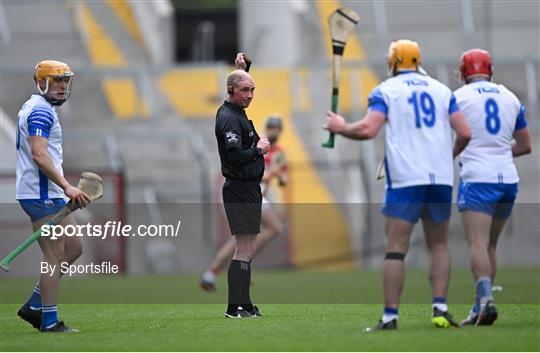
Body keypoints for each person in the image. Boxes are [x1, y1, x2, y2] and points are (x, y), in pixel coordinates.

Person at [325, 40, 471, 330]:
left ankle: (391, 317)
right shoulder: (443, 90)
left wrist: (340, 127)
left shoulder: (385, 90)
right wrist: (445, 157)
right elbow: (465, 132)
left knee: (395, 249)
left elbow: (368, 129)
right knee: (439, 244)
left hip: (405, 179)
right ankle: (440, 309)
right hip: (440, 179)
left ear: (392, 63)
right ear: (417, 62)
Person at [454, 49, 532, 326]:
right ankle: (480, 307)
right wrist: (497, 150)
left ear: (464, 72)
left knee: (476, 243)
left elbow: (452, 135)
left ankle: (486, 301)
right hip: (507, 180)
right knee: (490, 245)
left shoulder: (458, 97)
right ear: (491, 71)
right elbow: (525, 145)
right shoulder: (510, 97)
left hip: (477, 178)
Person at [16, 60, 90, 332]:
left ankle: (34, 304)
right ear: (41, 83)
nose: (61, 87)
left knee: (74, 247)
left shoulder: (40, 108)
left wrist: (62, 188)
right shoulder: (40, 113)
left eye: (65, 82)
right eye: (57, 81)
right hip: (40, 193)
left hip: (48, 191)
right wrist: (66, 186)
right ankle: (48, 320)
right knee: (54, 254)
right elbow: (39, 154)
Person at [201, 115, 288, 292]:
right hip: (247, 195)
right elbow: (250, 171)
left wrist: (278, 175)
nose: (273, 131)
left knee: (243, 239)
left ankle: (212, 273)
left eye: (276, 128)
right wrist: (269, 174)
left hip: (257, 196)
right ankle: (239, 265)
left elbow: (283, 180)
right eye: (271, 128)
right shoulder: (258, 145)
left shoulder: (279, 152)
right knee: (262, 232)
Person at [214, 53, 270, 318]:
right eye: (245, 90)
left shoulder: (235, 111)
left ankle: (244, 304)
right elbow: (235, 155)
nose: (249, 95)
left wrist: (243, 70)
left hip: (247, 188)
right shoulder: (228, 118)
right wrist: (258, 151)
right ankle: (234, 307)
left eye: (252, 90)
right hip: (239, 188)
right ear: (230, 91)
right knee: (244, 248)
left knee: (248, 248)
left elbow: (238, 84)